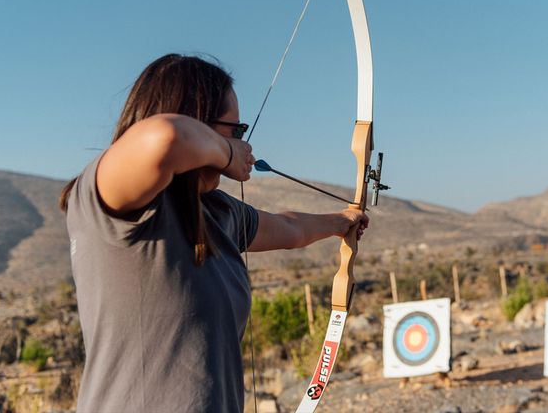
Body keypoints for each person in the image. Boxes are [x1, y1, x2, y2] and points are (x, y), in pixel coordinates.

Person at [59, 53, 368, 413]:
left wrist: (342, 220)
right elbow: (164, 138)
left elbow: (289, 227)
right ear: (196, 121)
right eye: (234, 130)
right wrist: (226, 152)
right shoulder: (111, 200)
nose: (242, 142)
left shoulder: (219, 212)